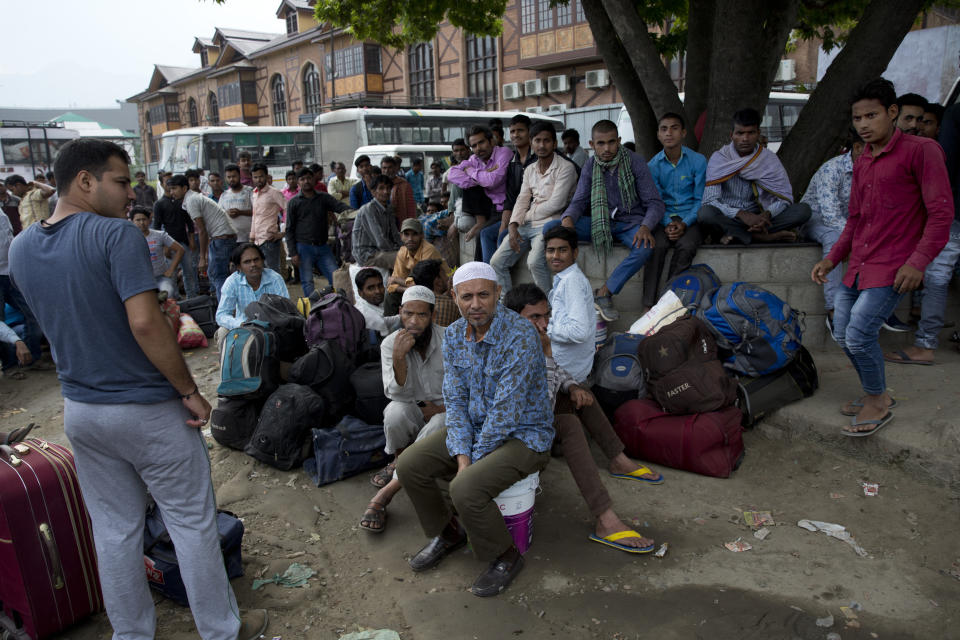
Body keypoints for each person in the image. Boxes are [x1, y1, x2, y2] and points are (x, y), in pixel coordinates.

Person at [8, 138, 268, 640]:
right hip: (147, 410)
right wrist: (190, 390)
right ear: (86, 180)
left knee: (113, 531)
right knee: (191, 522)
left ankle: (131, 635)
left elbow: (68, 321)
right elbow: (145, 325)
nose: (131, 195)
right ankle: (220, 630)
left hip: (82, 411)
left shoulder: (21, 247)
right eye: (121, 181)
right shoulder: (116, 236)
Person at [396, 262, 553, 597]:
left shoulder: (521, 335)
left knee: (465, 487)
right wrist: (462, 453)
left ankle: (506, 555)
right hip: (479, 426)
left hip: (524, 435)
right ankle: (449, 532)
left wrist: (469, 464)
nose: (476, 304)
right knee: (410, 465)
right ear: (454, 297)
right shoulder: (453, 334)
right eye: (467, 296)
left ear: (498, 294)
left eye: (484, 294)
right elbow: (455, 400)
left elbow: (505, 414)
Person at [810, 78, 952, 436]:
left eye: (871, 116)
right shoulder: (864, 160)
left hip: (895, 266)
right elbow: (856, 219)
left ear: (892, 113)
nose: (863, 125)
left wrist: (918, 262)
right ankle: (878, 393)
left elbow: (941, 214)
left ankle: (876, 400)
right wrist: (833, 258)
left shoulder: (922, 151)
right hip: (857, 264)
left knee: (859, 334)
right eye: (857, 118)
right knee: (842, 334)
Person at [504, 283, 662, 553]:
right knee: (569, 423)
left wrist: (573, 387)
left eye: (546, 316)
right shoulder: (508, 349)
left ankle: (618, 459)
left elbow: (558, 375)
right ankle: (605, 519)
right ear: (513, 319)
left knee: (582, 392)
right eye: (534, 318)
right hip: (518, 431)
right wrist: (546, 355)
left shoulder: (531, 339)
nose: (544, 324)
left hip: (537, 415)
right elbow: (540, 407)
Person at [547, 119, 666, 322]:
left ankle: (604, 292)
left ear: (619, 141)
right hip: (599, 224)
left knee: (645, 247)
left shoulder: (635, 162)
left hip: (631, 224)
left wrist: (646, 227)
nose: (607, 148)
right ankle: (570, 286)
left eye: (611, 142)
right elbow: (579, 201)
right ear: (592, 145)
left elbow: (655, 203)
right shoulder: (590, 165)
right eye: (600, 144)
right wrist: (567, 220)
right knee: (551, 228)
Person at [360, 286, 445, 534]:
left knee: (441, 422)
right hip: (414, 406)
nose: (414, 322)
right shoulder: (390, 344)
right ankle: (399, 460)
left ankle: (388, 492)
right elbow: (394, 394)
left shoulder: (451, 339)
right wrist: (399, 358)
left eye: (422, 315)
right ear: (400, 313)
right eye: (408, 314)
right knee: (394, 412)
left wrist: (440, 407)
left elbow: (469, 390)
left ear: (433, 316)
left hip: (447, 411)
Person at [698, 108, 811, 246]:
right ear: (731, 135)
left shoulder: (768, 158)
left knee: (803, 211)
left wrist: (766, 215)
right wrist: (741, 214)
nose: (745, 139)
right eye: (740, 133)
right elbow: (709, 201)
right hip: (730, 217)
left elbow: (783, 198)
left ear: (758, 134)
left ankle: (741, 235)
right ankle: (762, 238)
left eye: (750, 133)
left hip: (761, 219)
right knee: (706, 214)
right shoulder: (720, 158)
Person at [491, 121, 578, 294]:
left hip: (551, 223)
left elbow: (557, 203)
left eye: (546, 141)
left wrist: (525, 217)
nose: (542, 145)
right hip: (526, 224)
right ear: (531, 143)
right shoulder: (530, 169)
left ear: (554, 144)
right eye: (537, 141)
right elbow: (522, 198)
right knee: (496, 262)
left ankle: (547, 308)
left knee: (534, 262)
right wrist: (513, 224)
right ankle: (507, 306)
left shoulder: (566, 168)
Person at [643, 112, 707, 311]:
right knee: (655, 246)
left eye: (674, 128)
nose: (669, 133)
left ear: (683, 133)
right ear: (658, 135)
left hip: (691, 218)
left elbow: (701, 199)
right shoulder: (653, 165)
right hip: (664, 218)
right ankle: (647, 304)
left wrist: (684, 223)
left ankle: (668, 300)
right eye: (664, 129)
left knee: (687, 246)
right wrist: (667, 223)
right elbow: (656, 201)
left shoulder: (698, 161)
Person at [802, 132, 865, 333]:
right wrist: (854, 240)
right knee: (835, 238)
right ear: (857, 148)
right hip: (816, 220)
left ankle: (877, 308)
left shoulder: (875, 170)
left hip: (851, 226)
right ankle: (834, 309)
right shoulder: (832, 168)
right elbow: (830, 215)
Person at [447, 126, 513, 263]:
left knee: (482, 235)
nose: (478, 148)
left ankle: (486, 274)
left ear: (491, 141)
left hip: (506, 207)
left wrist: (471, 172)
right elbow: (452, 174)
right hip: (488, 207)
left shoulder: (503, 153)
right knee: (469, 186)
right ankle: (479, 221)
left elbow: (492, 181)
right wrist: (482, 177)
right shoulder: (474, 159)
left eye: (481, 143)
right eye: (474, 146)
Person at [169, 174, 236, 300]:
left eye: (174, 188)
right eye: (170, 189)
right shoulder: (192, 199)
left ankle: (224, 308)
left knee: (219, 276)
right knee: (216, 274)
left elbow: (202, 231)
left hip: (222, 237)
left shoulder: (191, 200)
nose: (171, 192)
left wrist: (202, 258)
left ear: (184, 188)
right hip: (222, 237)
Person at [285, 167, 351, 297]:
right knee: (307, 281)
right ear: (298, 182)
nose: (306, 181)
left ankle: (340, 304)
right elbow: (289, 229)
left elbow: (340, 207)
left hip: (323, 246)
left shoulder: (323, 198)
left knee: (336, 277)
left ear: (314, 180)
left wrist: (358, 211)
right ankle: (313, 310)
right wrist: (293, 253)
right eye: (302, 179)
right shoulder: (294, 202)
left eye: (308, 178)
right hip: (303, 248)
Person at [0, 204, 46, 379]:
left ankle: (32, 358)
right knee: (0, 321)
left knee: (33, 311)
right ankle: (10, 365)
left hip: (10, 270)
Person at [214, 242, 289, 343]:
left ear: (262, 261)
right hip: (243, 328)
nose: (253, 264)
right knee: (223, 332)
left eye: (256, 259)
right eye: (247, 262)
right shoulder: (232, 282)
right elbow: (221, 315)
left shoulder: (275, 279)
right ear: (239, 267)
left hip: (272, 328)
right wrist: (241, 324)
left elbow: (286, 309)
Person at [488, 115, 538, 267]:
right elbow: (510, 198)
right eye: (513, 131)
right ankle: (485, 274)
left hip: (535, 217)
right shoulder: (512, 162)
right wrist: (505, 224)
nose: (516, 135)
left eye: (520, 130)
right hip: (516, 217)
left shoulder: (538, 158)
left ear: (529, 132)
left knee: (503, 236)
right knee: (489, 234)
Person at [385, 218, 448, 314]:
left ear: (422, 235)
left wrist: (397, 284)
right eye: (406, 234)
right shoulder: (402, 252)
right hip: (419, 289)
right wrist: (398, 286)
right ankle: (391, 326)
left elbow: (423, 285)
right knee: (391, 295)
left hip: (439, 290)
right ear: (401, 236)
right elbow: (392, 283)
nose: (410, 239)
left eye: (414, 234)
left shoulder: (428, 250)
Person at [153, 174, 198, 299]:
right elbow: (157, 227)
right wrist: (163, 247)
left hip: (184, 242)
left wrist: (192, 240)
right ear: (162, 184)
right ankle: (175, 300)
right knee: (171, 274)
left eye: (173, 185)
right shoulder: (159, 204)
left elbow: (189, 223)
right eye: (167, 183)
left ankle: (192, 298)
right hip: (169, 245)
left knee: (189, 272)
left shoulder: (181, 202)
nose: (171, 187)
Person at [130, 205, 184, 300]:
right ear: (131, 221)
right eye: (138, 220)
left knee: (167, 294)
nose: (142, 223)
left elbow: (180, 249)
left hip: (161, 277)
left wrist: (171, 270)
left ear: (149, 220)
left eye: (144, 219)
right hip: (141, 280)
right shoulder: (128, 239)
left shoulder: (160, 235)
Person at [352, 175, 403, 268]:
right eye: (381, 188)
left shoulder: (389, 209)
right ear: (373, 192)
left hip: (381, 251)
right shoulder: (368, 209)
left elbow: (395, 234)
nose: (386, 191)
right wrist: (398, 251)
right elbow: (380, 240)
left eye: (388, 188)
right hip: (366, 254)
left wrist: (403, 247)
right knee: (404, 259)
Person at [250, 163, 286, 274]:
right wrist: (252, 237)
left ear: (266, 176)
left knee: (273, 273)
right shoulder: (254, 193)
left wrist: (283, 232)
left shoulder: (274, 192)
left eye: (261, 176)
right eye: (255, 177)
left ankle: (277, 292)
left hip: (269, 240)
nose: (258, 179)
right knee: (261, 273)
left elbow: (289, 209)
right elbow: (255, 216)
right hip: (256, 241)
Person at [411, 258, 460, 327]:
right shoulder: (451, 304)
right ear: (438, 282)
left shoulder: (414, 302)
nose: (447, 277)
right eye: (444, 274)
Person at [354, 268, 401, 339]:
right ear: (360, 293)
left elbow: (385, 320)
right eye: (371, 288)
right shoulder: (363, 314)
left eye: (380, 285)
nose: (378, 291)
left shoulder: (384, 301)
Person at [219, 164, 253, 243]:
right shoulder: (224, 195)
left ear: (239, 176)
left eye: (234, 176)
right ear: (225, 178)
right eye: (229, 177)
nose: (231, 179)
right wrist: (227, 213)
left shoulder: (249, 191)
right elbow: (219, 214)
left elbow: (257, 211)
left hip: (249, 238)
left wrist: (240, 212)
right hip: (231, 239)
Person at [380, 156, 416, 223]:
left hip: (399, 222)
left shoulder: (404, 185)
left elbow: (411, 207)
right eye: (384, 168)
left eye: (390, 167)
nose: (387, 171)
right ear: (381, 169)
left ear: (395, 168)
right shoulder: (377, 185)